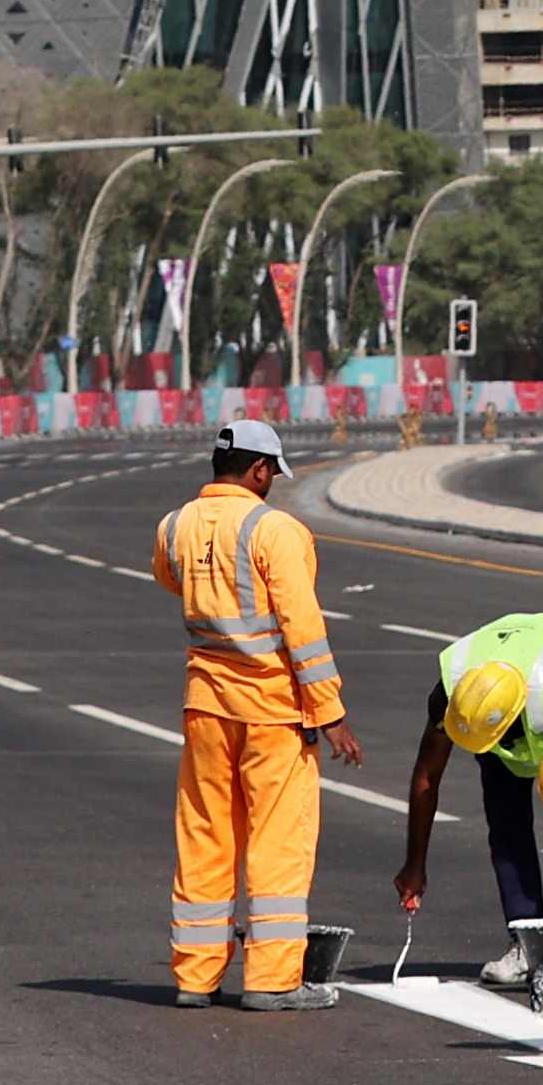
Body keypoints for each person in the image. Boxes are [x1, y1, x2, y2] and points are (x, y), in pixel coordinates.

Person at [155, 416, 357, 1007]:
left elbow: (173, 582)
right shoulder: (276, 531)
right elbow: (303, 627)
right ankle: (271, 981)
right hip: (272, 712)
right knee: (277, 842)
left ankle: (195, 977)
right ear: (260, 468)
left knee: (204, 836)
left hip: (206, 708)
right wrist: (330, 712)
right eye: (272, 472)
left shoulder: (174, 527)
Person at [389, 609, 543, 987]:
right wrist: (415, 865)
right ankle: (527, 942)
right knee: (506, 828)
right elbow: (427, 776)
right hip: (500, 701)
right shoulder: (453, 695)